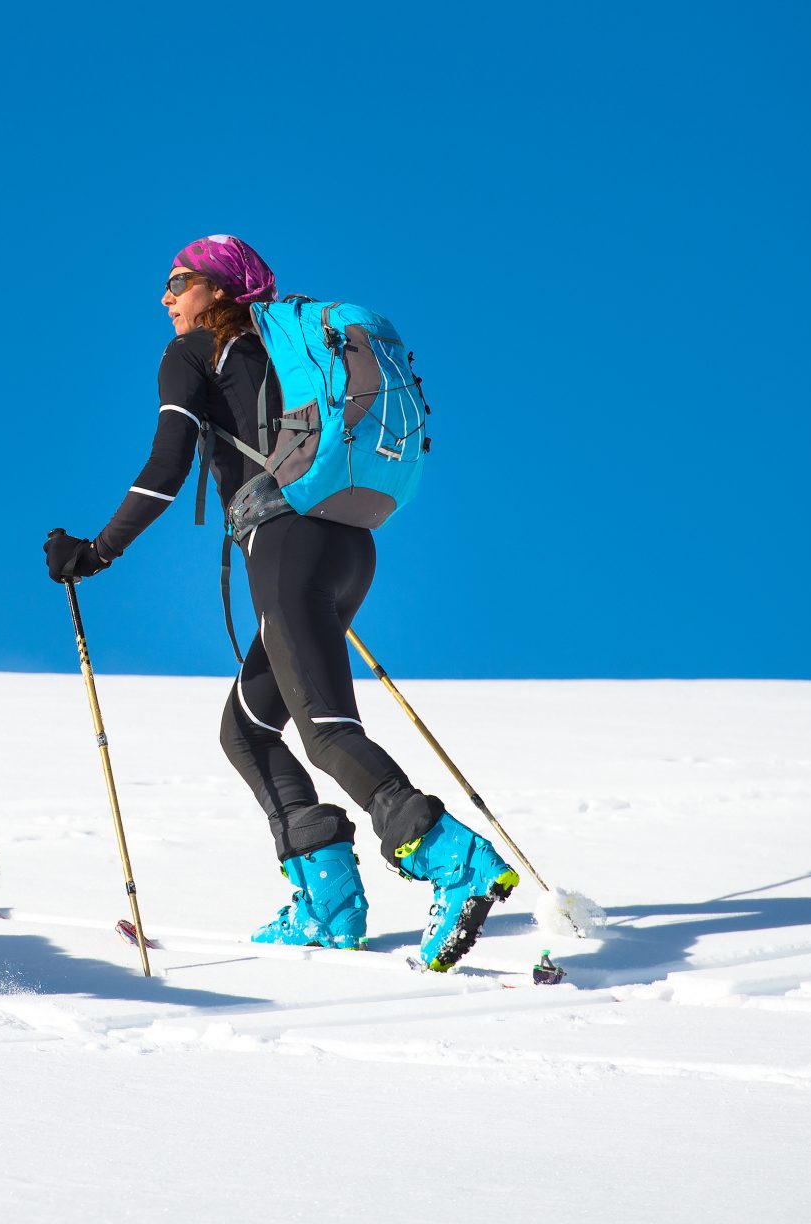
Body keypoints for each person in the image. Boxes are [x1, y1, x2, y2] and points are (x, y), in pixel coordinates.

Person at [43, 234, 516, 970]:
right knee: (248, 727)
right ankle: (330, 901)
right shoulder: (285, 353)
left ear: (221, 291)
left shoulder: (195, 354)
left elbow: (168, 466)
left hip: (288, 546)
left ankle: (456, 863)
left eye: (180, 282)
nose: (166, 297)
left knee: (325, 732)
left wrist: (96, 551)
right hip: (350, 546)